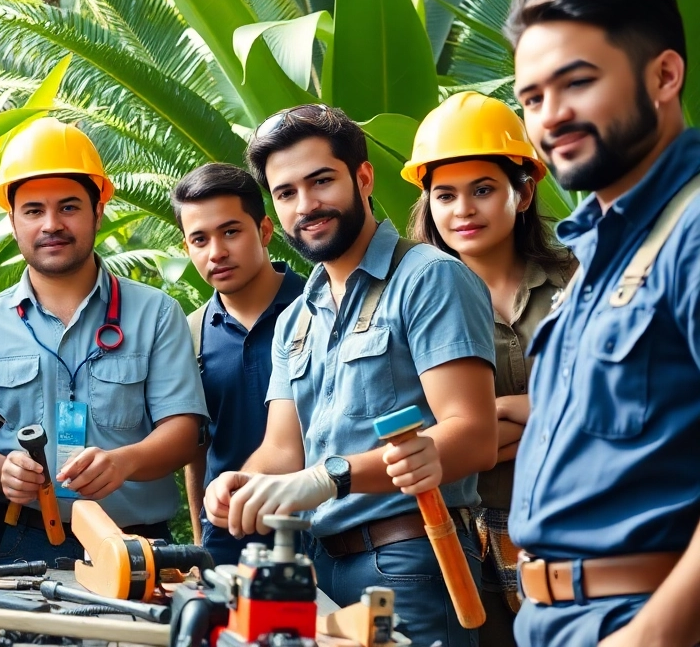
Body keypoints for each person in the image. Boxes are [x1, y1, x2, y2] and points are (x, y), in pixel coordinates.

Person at [205, 104, 498, 647]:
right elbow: (282, 450)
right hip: (317, 568)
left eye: (321, 182)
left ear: (362, 177)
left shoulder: (430, 279)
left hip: (409, 560)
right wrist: (242, 483)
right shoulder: (297, 314)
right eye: (286, 193)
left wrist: (328, 477)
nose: (306, 205)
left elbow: (472, 436)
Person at [505, 0, 700, 647]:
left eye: (577, 83)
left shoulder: (694, 228)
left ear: (663, 76)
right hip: (551, 621)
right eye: (531, 98)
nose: (550, 117)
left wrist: (650, 637)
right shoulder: (593, 252)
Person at [0, 118, 208, 563]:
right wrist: (2, 471)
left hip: (137, 544)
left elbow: (184, 433)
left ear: (97, 211)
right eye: (33, 211)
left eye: (69, 207)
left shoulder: (156, 313)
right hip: (18, 543)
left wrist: (125, 461)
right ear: (12, 221)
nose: (52, 224)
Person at [401, 91, 577, 647]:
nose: (463, 211)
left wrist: (495, 412)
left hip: (578, 520)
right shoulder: (411, 299)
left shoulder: (579, 280)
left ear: (522, 193)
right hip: (463, 532)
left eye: (483, 190)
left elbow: (609, 404)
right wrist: (540, 416)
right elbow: (437, 434)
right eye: (445, 195)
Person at [171, 163, 305, 566]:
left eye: (231, 231)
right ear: (187, 248)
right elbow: (197, 450)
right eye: (200, 239)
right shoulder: (189, 335)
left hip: (320, 532)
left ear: (264, 231)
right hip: (229, 542)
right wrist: (201, 543)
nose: (217, 252)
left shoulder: (320, 308)